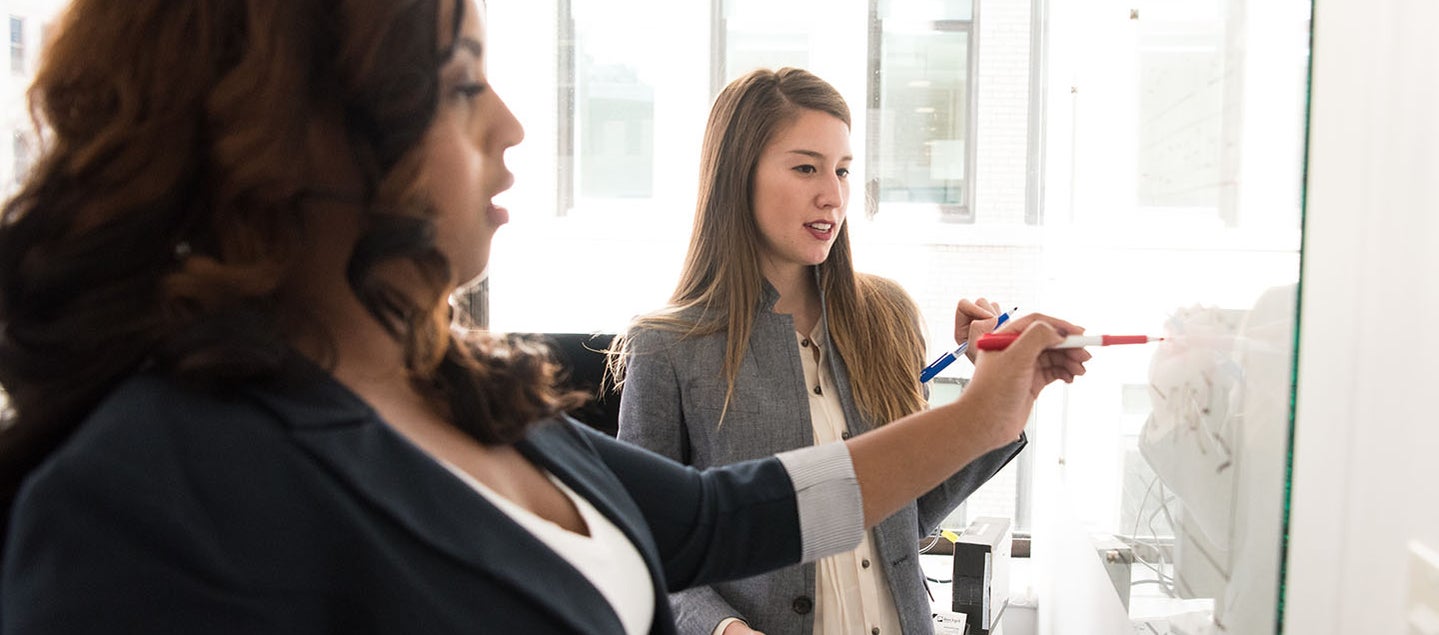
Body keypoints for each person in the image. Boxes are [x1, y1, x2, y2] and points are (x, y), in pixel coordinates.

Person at [0, 2, 1089, 633]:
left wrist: (989, 410)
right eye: (464, 85)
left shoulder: (468, 393)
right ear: (295, 134)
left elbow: (721, 513)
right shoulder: (143, 491)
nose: (514, 127)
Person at [607, 67, 1027, 635]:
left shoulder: (887, 316)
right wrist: (722, 630)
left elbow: (907, 514)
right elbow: (644, 549)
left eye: (843, 170)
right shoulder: (669, 348)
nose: (833, 194)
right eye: (806, 167)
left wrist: (996, 393)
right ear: (738, 177)